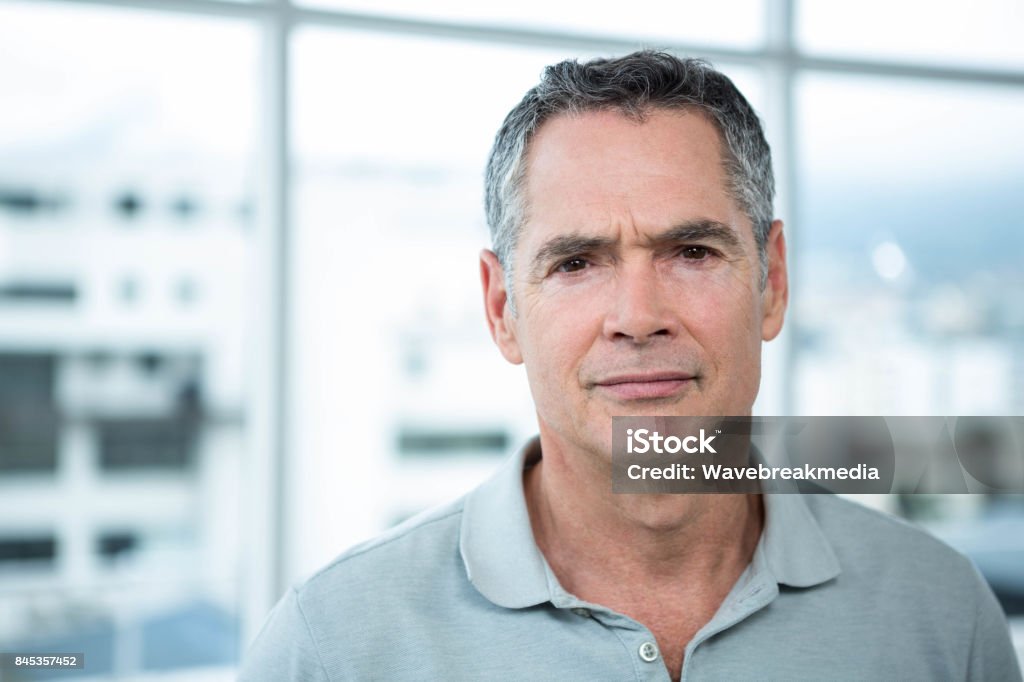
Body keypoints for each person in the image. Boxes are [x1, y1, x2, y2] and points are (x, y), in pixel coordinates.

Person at [239, 51, 1021, 681]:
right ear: (501, 307)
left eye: (691, 252)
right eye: (577, 263)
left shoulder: (941, 616)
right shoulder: (333, 644)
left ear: (772, 281)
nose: (638, 316)